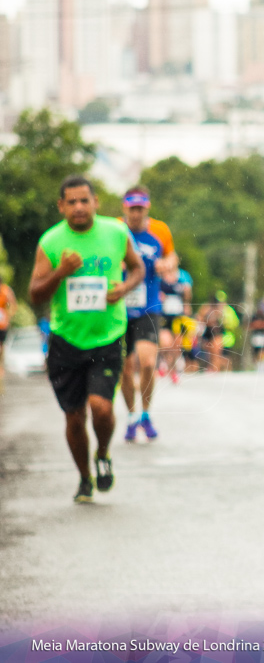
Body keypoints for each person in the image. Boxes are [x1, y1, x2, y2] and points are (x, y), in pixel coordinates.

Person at [29, 175, 144, 503]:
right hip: (66, 340)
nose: (79, 207)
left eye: (85, 200)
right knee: (74, 416)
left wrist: (124, 288)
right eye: (72, 202)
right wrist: (60, 272)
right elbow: (35, 294)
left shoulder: (116, 232)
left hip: (107, 336)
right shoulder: (51, 242)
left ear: (95, 202)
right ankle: (83, 478)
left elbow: (137, 269)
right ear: (61, 206)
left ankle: (103, 454)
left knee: (101, 407)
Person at [119, 187, 176, 441]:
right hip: (119, 306)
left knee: (148, 363)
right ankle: (131, 415)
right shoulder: (115, 230)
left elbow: (172, 255)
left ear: (147, 208)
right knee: (125, 367)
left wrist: (168, 264)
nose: (136, 213)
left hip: (149, 306)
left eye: (140, 208)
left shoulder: (160, 230)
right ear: (124, 208)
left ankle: (146, 413)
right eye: (132, 208)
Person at [158, 265, 193, 384]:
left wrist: (187, 299)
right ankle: (164, 363)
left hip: (177, 317)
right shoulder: (160, 281)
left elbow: (187, 298)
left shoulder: (180, 281)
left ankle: (173, 370)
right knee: (165, 343)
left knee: (176, 345)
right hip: (164, 317)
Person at [0, 272, 17, 376]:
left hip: (3, 324)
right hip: (3, 322)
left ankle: (1, 366)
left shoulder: (6, 291)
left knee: (2, 346)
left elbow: (13, 304)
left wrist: (9, 316)